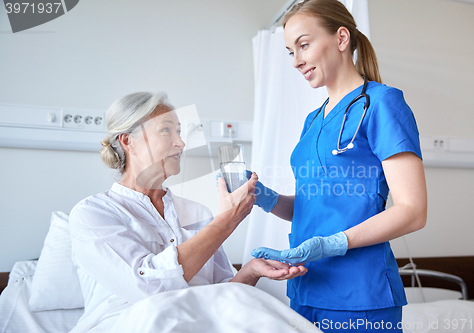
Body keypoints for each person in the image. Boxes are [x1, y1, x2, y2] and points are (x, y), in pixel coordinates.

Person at [249, 0, 427, 331]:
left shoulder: (382, 104)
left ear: (341, 38)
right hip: (305, 288)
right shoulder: (312, 120)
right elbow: (313, 206)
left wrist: (333, 243)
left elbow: (413, 211)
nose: (297, 60)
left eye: (304, 45)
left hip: (359, 292)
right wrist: (268, 198)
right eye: (291, 51)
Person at [68, 91, 307, 332]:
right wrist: (225, 221)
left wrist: (251, 270)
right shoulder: (93, 214)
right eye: (166, 130)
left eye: (179, 132)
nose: (180, 143)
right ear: (128, 141)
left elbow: (223, 292)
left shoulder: (196, 212)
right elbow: (147, 287)